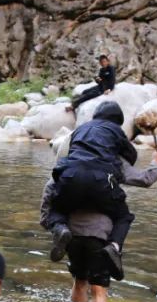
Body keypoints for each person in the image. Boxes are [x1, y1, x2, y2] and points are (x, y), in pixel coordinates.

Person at [40, 152, 157, 302]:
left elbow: (48, 202)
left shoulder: (68, 168)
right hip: (100, 234)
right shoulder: (110, 162)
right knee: (99, 291)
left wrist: (54, 225)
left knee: (79, 281)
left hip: (72, 234)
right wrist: (156, 162)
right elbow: (145, 179)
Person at [44, 100, 138, 280]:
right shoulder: (115, 130)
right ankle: (114, 247)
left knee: (57, 208)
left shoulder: (81, 128)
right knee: (123, 216)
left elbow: (68, 152)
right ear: (117, 120)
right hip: (101, 180)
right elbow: (132, 156)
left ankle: (60, 228)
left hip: (70, 176)